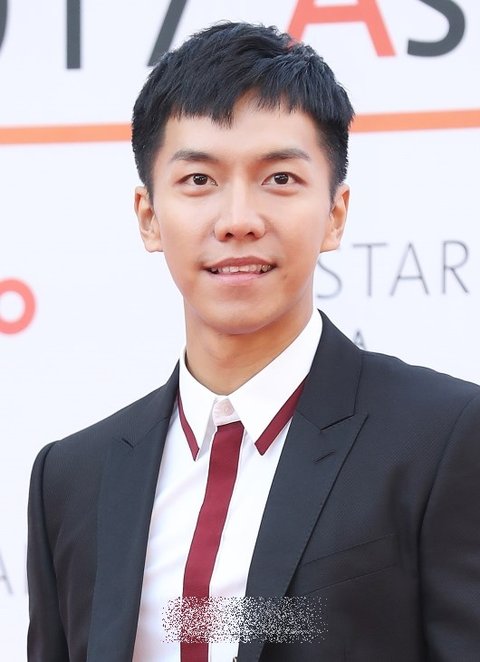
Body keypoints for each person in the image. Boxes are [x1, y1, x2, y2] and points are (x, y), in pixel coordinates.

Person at [27, 21, 480, 662]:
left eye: (280, 179)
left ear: (336, 214)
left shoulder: (443, 439)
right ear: (149, 217)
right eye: (199, 180)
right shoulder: (71, 479)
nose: (238, 220)